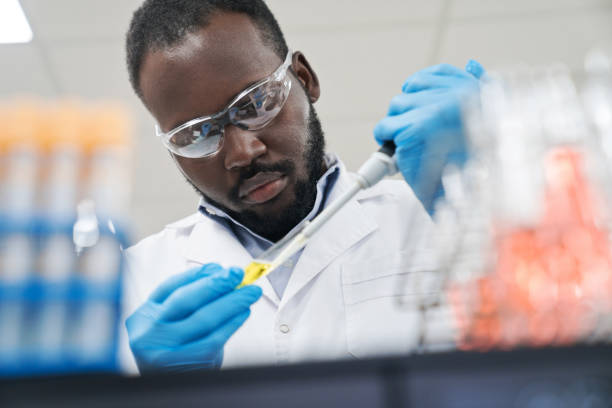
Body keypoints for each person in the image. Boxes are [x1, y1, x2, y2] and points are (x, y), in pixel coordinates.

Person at [121, 0, 485, 374]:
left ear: (304, 79)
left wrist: (501, 174)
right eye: (195, 134)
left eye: (255, 102)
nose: (242, 153)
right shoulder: (133, 285)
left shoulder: (436, 220)